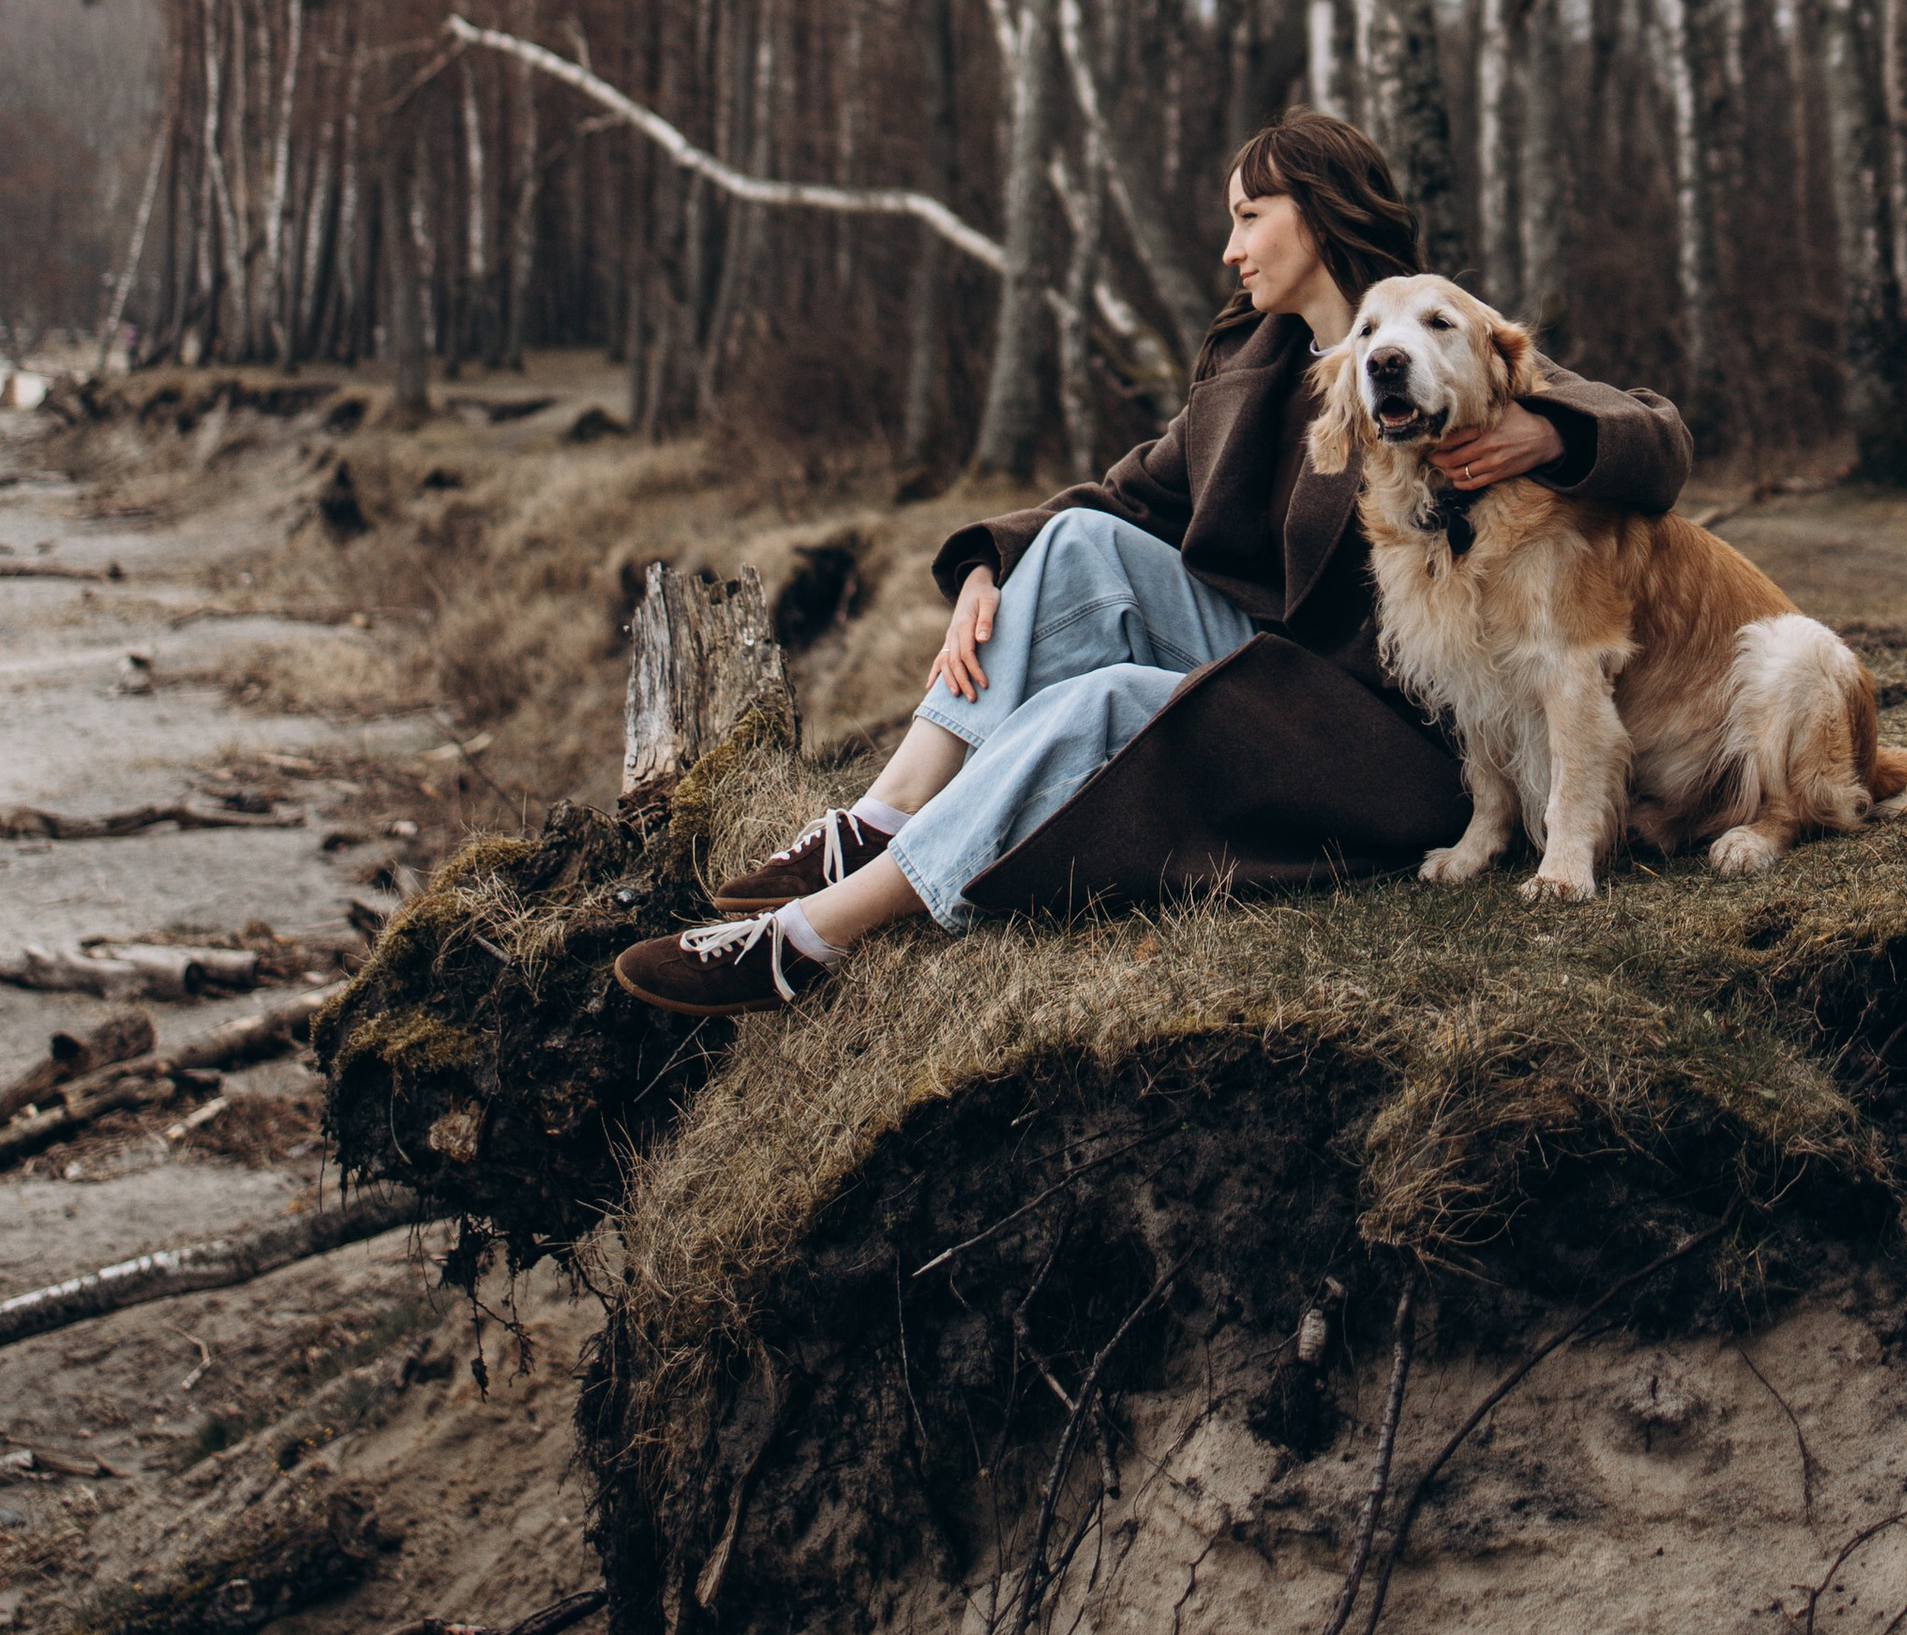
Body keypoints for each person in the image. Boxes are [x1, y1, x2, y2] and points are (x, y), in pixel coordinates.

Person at [613, 110, 1690, 1019]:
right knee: (1076, 542)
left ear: (1314, 215)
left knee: (1111, 700)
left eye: (1248, 218)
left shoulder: (1437, 340)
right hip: (1271, 676)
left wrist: (1551, 437)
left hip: (1391, 734)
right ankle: (882, 817)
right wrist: (992, 565)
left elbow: (1654, 430)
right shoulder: (1251, 369)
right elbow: (1121, 497)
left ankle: (809, 940)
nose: (1232, 248)